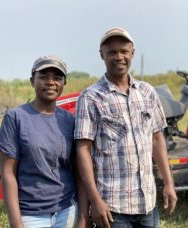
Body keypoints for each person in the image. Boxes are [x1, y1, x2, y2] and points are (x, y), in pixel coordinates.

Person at [74, 28, 177, 228]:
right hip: (113, 207)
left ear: (132, 53)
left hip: (147, 203)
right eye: (112, 52)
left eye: (123, 51)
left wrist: (169, 183)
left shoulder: (147, 92)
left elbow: (156, 138)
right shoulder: (91, 97)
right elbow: (83, 150)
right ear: (101, 55)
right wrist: (95, 201)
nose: (118, 57)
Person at [0, 55, 86, 228]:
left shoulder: (70, 120)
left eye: (57, 78)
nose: (51, 82)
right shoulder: (16, 118)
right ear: (32, 81)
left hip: (66, 212)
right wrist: (16, 222)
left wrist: (82, 217)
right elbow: (7, 173)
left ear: (64, 83)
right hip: (30, 216)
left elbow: (78, 172)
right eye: (43, 77)